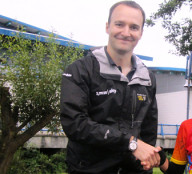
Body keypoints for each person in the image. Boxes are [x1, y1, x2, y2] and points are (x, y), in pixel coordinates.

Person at [60, 1, 159, 173]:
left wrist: (147, 158)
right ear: (107, 27)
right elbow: (75, 124)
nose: (126, 32)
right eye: (119, 24)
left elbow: (149, 129)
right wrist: (130, 143)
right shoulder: (80, 70)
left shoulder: (147, 77)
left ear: (141, 33)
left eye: (134, 27)